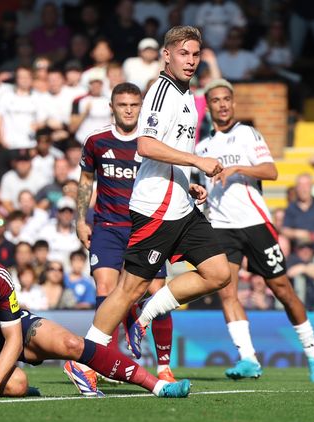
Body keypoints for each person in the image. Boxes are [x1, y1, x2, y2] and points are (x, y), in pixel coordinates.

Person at [84, 26, 230, 374]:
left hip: (181, 205)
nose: (191, 61)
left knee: (219, 272)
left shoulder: (186, 95)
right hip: (156, 209)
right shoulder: (161, 93)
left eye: (195, 54)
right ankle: (85, 362)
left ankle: (147, 313)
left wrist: (190, 181)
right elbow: (146, 145)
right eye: (183, 54)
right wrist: (197, 162)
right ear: (166, 55)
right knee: (126, 290)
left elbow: (173, 150)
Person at [195, 79, 314, 382]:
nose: (223, 104)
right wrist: (198, 192)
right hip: (221, 226)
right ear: (209, 106)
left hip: (255, 223)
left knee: (282, 289)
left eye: (227, 99)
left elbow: (271, 171)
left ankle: (313, 354)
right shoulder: (201, 148)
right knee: (226, 291)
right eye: (216, 100)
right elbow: (199, 186)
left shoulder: (247, 134)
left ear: (233, 102)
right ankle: (248, 358)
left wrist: (238, 168)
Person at [70, 82, 179, 389]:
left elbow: (172, 174)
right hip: (106, 228)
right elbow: (85, 180)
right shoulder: (96, 141)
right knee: (105, 287)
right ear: (112, 107)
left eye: (134, 105)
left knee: (159, 294)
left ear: (141, 107)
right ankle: (105, 359)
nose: (129, 110)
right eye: (123, 105)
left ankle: (164, 366)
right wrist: (80, 220)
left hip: (146, 229)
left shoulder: (151, 143)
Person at [0, 258, 190, 399]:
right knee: (17, 385)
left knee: (72, 343)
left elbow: (14, 337)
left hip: (6, 331)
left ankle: (157, 386)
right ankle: (19, 388)